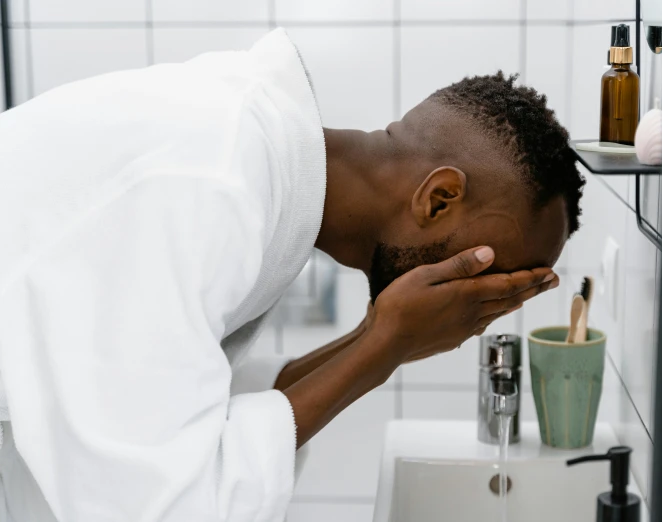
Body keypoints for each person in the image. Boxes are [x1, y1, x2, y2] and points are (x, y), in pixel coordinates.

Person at [0, 28, 584, 522]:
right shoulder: (212, 184)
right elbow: (166, 506)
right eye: (492, 275)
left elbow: (197, 407)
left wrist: (382, 340)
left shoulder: (259, 170)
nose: (478, 306)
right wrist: (382, 347)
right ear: (437, 199)